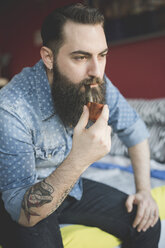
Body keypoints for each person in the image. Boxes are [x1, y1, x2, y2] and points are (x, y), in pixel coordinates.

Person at [0, 3, 160, 248]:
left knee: (147, 222)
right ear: (48, 57)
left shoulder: (95, 82)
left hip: (72, 188)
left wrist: (145, 191)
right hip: (25, 200)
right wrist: (80, 158)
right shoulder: (11, 107)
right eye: (81, 57)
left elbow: (134, 130)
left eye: (102, 55)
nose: (96, 70)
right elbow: (23, 212)